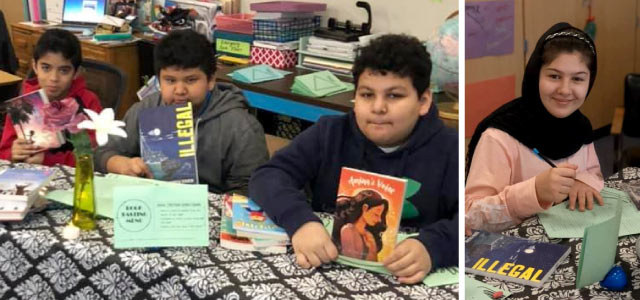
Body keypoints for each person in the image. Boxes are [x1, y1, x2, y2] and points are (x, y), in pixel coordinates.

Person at [249, 34, 458, 284]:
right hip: (324, 272)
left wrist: (433, 247)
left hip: (406, 280)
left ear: (423, 101)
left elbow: (472, 220)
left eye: (394, 96)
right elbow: (269, 176)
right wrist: (301, 222)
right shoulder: (330, 133)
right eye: (367, 95)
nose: (378, 108)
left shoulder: (449, 148)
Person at [465, 23, 604, 233]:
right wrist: (534, 192)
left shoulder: (580, 126)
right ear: (535, 75)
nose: (565, 90)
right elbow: (471, 216)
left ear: (590, 82)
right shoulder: (499, 136)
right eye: (554, 76)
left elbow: (594, 174)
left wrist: (584, 182)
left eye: (577, 79)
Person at [94, 29, 268, 193]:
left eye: (191, 80)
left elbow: (249, 188)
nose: (179, 90)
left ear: (211, 80)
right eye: (169, 80)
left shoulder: (241, 126)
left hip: (212, 211)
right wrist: (118, 163)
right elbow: (101, 153)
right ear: (158, 80)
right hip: (152, 202)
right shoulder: (145, 109)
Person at [0, 29, 103, 167]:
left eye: (64, 70)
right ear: (35, 66)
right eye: (46, 68)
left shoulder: (88, 101)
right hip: (29, 178)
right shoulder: (24, 103)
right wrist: (12, 154)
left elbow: (96, 157)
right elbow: (4, 153)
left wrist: (48, 161)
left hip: (74, 179)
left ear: (76, 72)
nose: (53, 78)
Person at [333, 190, 389, 261]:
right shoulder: (347, 230)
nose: (379, 220)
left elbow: (372, 263)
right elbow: (350, 260)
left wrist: (371, 249)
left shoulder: (369, 236)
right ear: (365, 208)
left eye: (380, 216)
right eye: (376, 214)